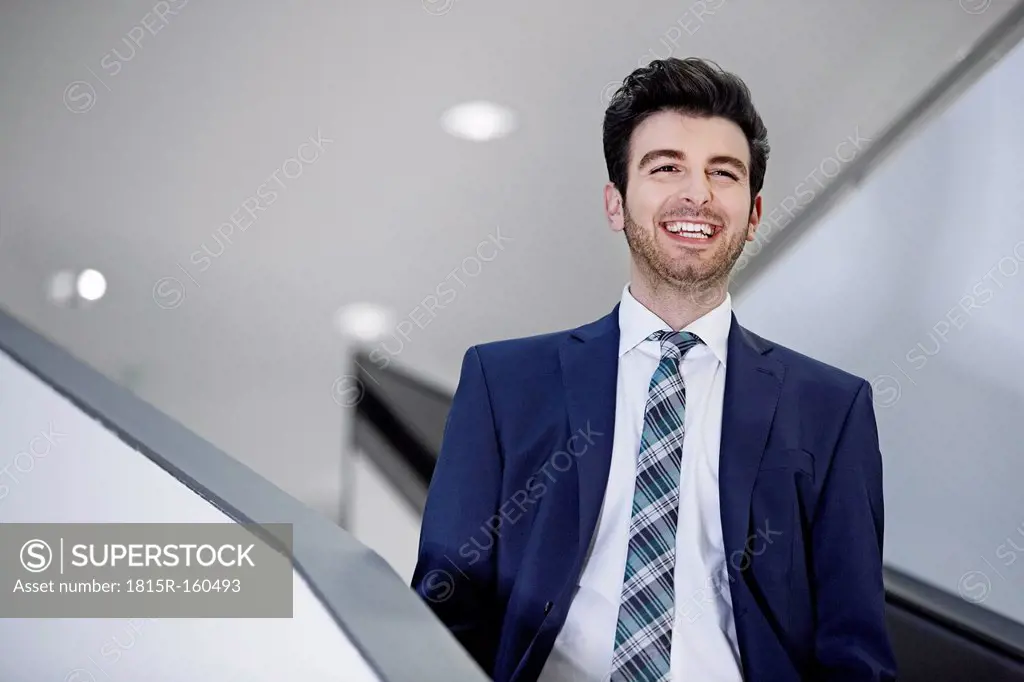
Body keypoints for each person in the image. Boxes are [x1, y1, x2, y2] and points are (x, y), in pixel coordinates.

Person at [411, 57, 896, 682]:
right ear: (616, 204)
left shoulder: (832, 409)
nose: (697, 193)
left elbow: (854, 648)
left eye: (723, 174)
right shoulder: (502, 383)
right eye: (666, 167)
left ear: (752, 215)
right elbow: (445, 608)